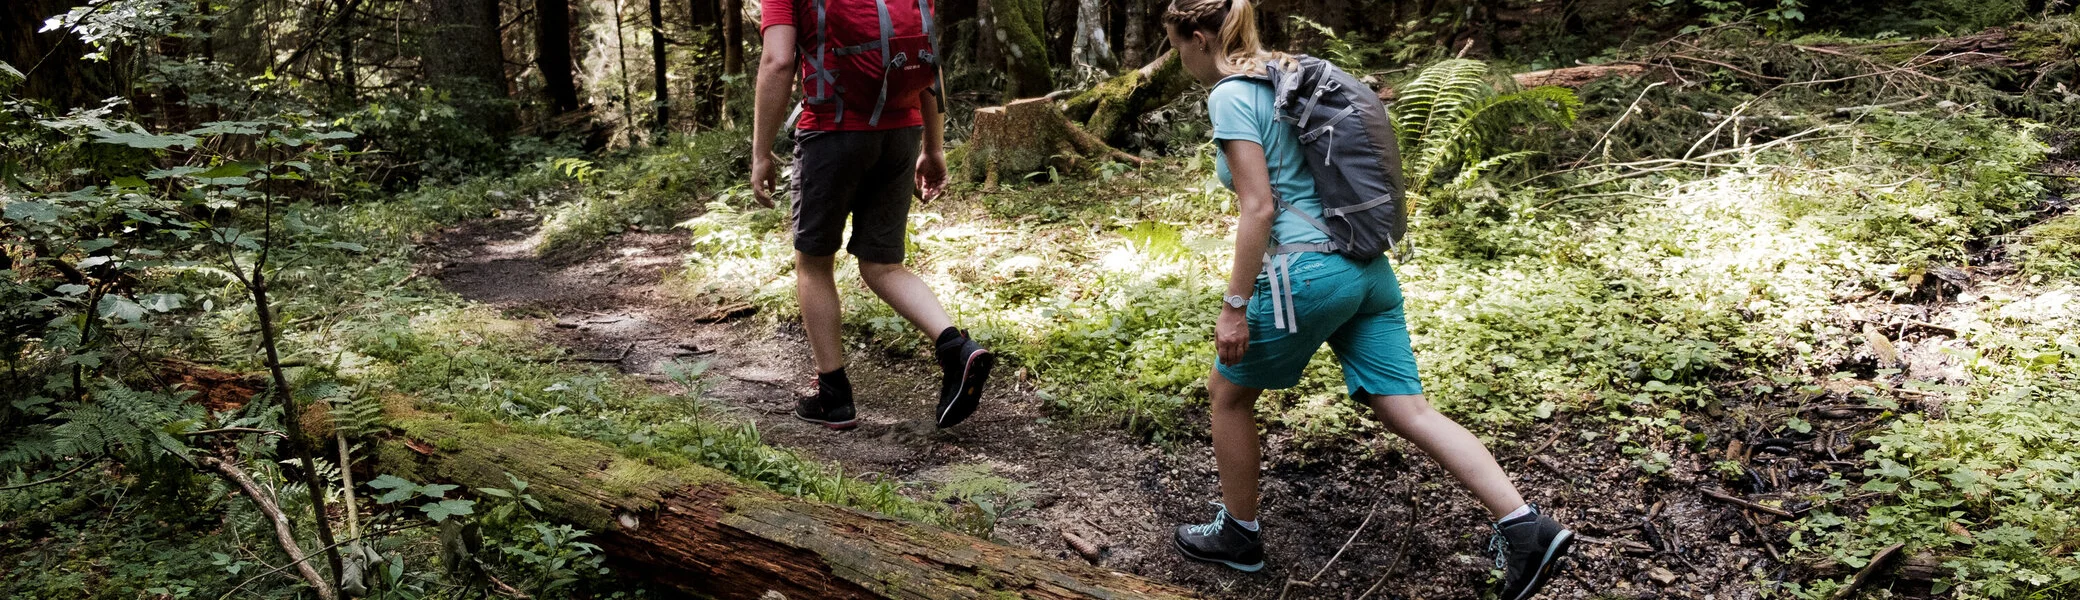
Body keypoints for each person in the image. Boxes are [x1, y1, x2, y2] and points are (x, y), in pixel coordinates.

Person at [1159, 1, 1574, 598]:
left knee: (1227, 394)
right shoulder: (1286, 73)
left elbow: (1260, 206)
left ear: (1197, 38)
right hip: (1365, 267)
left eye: (1178, 48)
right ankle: (1525, 527)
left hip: (1306, 275)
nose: (1181, 60)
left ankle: (1239, 536)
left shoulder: (1229, 94)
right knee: (1409, 409)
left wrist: (1233, 304)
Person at [750, 0, 994, 430]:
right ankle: (956, 348)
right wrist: (934, 149)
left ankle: (834, 397)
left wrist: (760, 152)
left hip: (832, 131)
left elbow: (777, 60)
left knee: (813, 264)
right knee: (883, 264)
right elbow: (925, 65)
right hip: (901, 132)